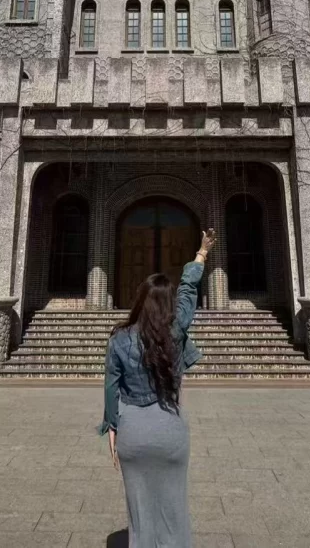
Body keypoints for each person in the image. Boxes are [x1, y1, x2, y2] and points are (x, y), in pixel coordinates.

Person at [100, 228, 216, 548]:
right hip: (169, 430)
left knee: (139, 516)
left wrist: (112, 426)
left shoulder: (118, 338)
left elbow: (111, 387)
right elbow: (189, 289)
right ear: (169, 305)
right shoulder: (176, 329)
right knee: (174, 512)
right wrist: (202, 252)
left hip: (132, 432)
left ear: (139, 300)